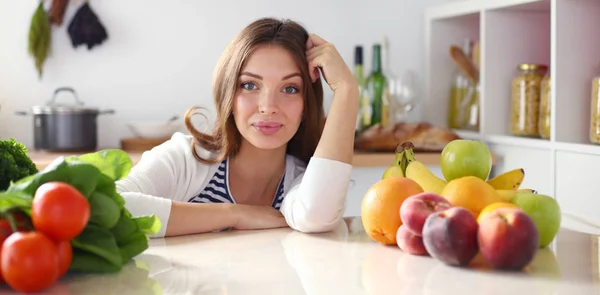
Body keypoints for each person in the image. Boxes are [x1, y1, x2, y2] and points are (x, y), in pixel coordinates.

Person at [115, 17, 359, 238]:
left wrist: (347, 90)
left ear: (306, 105)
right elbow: (112, 207)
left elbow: (315, 217)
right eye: (250, 85)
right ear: (229, 95)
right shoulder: (186, 159)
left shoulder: (303, 180)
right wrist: (236, 214)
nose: (268, 107)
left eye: (290, 89)